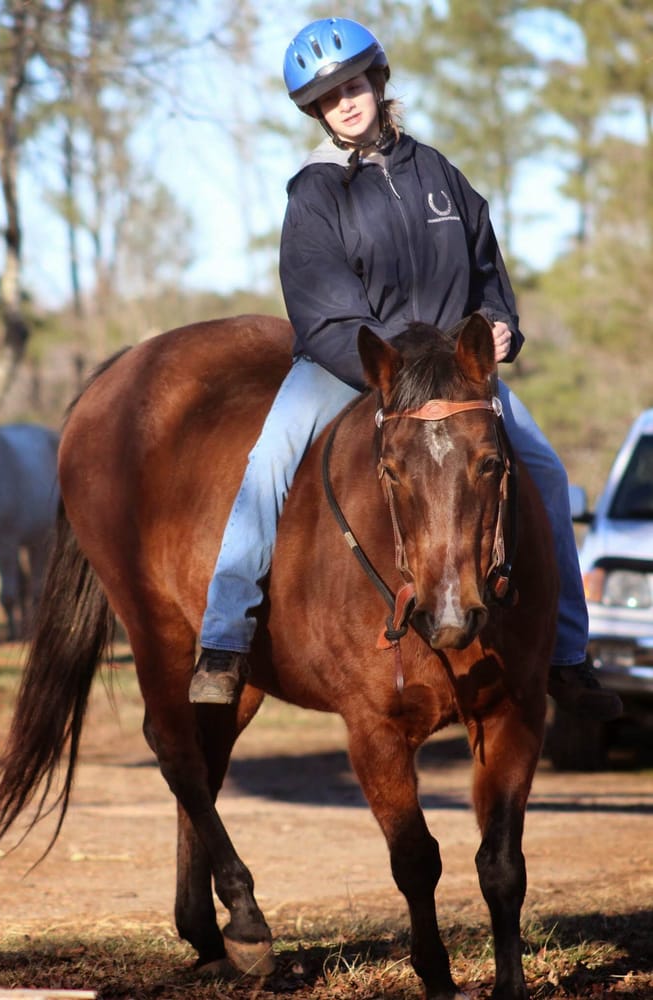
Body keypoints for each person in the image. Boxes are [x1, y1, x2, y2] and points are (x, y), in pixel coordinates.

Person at [189, 16, 623, 723]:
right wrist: (394, 366)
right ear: (317, 112)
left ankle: (566, 655)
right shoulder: (315, 193)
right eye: (329, 99)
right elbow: (324, 310)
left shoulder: (440, 175)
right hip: (355, 369)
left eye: (353, 86)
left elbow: (485, 270)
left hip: (455, 379)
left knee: (543, 470)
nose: (346, 103)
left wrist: (499, 324)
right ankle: (224, 641)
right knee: (265, 464)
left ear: (377, 81)